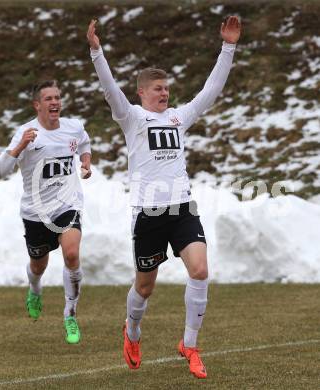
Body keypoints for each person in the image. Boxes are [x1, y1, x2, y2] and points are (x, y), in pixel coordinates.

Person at [87, 16, 241, 377]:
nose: (164, 93)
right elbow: (110, 90)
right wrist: (97, 52)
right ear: (141, 92)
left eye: (166, 88)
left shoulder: (178, 118)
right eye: (157, 88)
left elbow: (210, 91)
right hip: (149, 215)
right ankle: (132, 331)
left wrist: (228, 47)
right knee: (145, 285)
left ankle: (189, 344)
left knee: (200, 270)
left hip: (183, 208)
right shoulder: (132, 118)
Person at [0, 80, 91, 344]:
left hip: (67, 204)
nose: (55, 102)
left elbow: (84, 143)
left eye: (57, 97)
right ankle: (35, 290)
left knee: (71, 254)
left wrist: (85, 162)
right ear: (37, 105)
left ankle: (70, 315)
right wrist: (19, 147)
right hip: (36, 213)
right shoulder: (25, 132)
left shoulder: (73, 127)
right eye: (48, 98)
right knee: (39, 264)